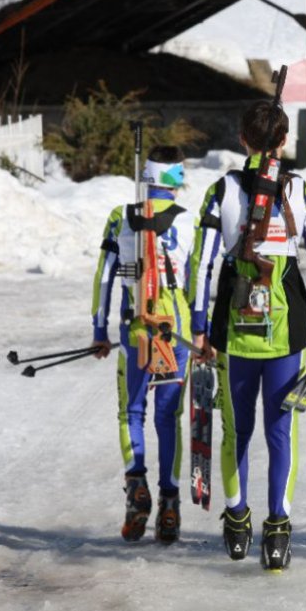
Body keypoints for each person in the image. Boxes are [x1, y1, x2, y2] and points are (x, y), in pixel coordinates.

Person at [189, 100, 306, 570]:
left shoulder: (222, 191)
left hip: (232, 331)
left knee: (236, 430)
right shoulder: (302, 191)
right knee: (282, 430)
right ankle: (278, 531)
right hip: (286, 329)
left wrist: (199, 327)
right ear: (283, 143)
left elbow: (202, 265)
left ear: (242, 140)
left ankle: (237, 520)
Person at [91, 145, 196, 545]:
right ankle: (170, 505)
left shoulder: (121, 218)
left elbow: (104, 277)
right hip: (176, 332)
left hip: (136, 330)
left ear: (146, 177)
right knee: (168, 417)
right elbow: (196, 280)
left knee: (130, 410)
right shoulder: (189, 223)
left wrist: (100, 329)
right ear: (178, 180)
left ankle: (137, 487)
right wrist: (202, 331)